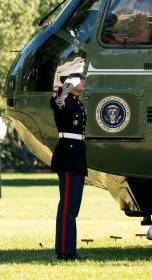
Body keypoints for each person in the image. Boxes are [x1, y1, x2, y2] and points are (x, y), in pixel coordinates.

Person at [50, 72, 87, 260]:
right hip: (67, 156)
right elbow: (57, 104)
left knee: (73, 206)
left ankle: (69, 248)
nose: (84, 81)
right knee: (66, 207)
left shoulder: (77, 102)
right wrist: (66, 86)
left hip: (77, 156)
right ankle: (65, 251)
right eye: (81, 79)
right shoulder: (62, 98)